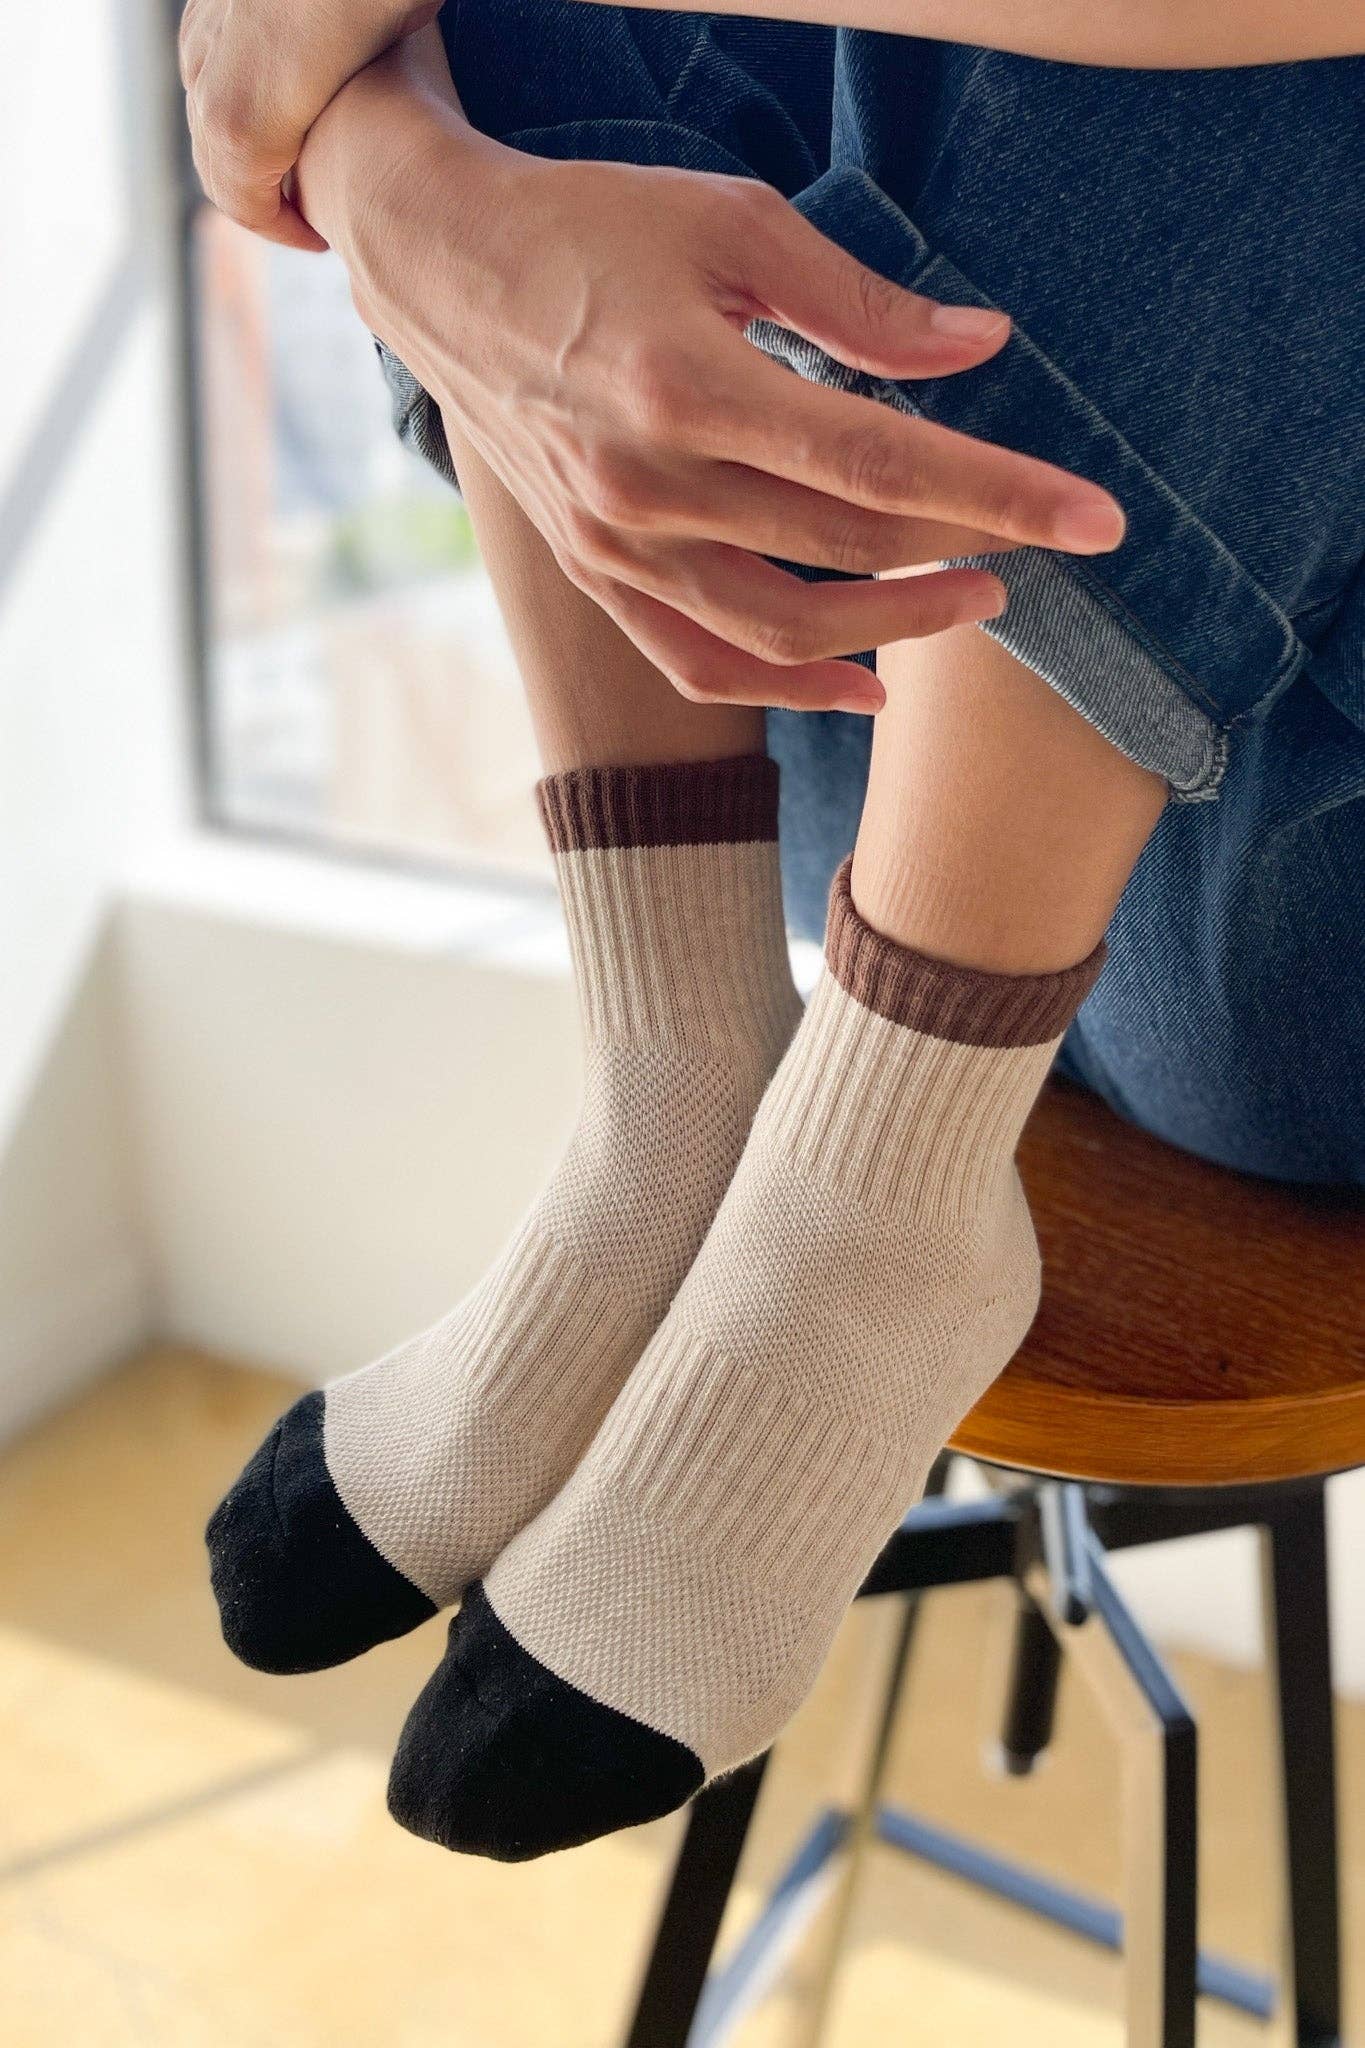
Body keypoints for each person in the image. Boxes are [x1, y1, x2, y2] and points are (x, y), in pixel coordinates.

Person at [189, 0, 1365, 1859]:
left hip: (1301, 918)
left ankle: (872, 1199)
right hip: (875, 759)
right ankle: (673, 1089)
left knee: (1232, 70)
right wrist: (393, 150)